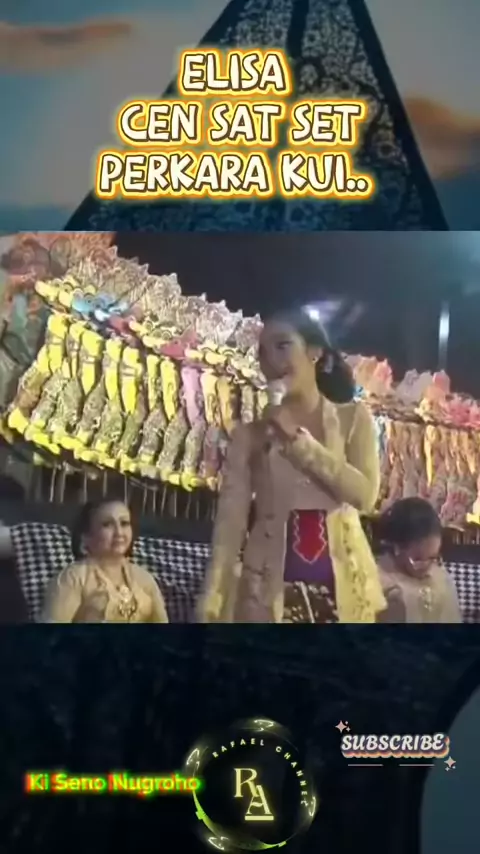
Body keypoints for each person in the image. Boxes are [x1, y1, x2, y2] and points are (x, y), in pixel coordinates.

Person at [198, 308, 386, 623]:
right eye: (262, 353)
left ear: (314, 352)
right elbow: (230, 525)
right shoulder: (249, 436)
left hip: (345, 590)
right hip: (268, 593)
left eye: (282, 346)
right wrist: (213, 599)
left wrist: (298, 441)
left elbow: (364, 497)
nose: (272, 360)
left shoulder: (353, 419)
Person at [40, 498, 169, 623]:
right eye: (107, 525)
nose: (119, 532)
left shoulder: (144, 579)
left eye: (124, 523)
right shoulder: (73, 578)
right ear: (86, 537)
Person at [376, 498, 461, 623]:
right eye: (417, 559)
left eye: (432, 558)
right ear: (397, 548)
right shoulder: (377, 583)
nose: (426, 567)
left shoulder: (443, 580)